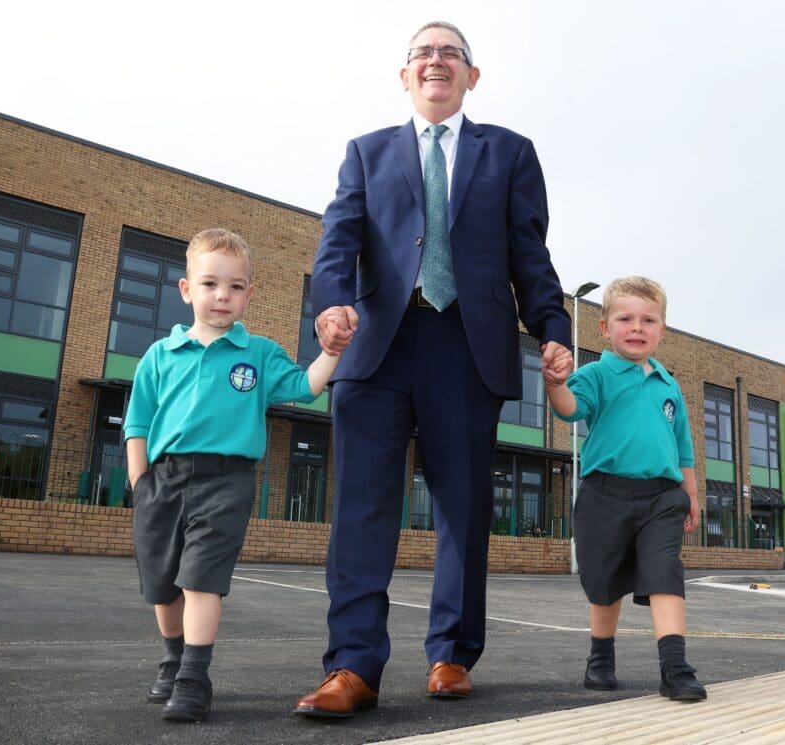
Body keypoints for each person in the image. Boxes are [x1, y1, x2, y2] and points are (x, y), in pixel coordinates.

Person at [295, 21, 571, 718]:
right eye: (423, 52)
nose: (437, 61)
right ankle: (353, 666)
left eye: (452, 53)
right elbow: (338, 242)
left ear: (472, 77)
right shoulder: (366, 153)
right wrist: (329, 306)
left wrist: (554, 327)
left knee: (464, 508)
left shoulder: (509, 153)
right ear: (405, 75)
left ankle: (451, 652)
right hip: (377, 348)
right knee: (363, 508)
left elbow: (528, 254)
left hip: (466, 347)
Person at [124, 228, 343, 722]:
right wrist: (140, 484)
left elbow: (306, 388)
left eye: (236, 286)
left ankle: (194, 678)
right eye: (210, 284)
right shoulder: (160, 356)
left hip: (227, 480)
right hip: (163, 480)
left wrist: (332, 352)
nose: (223, 295)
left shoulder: (258, 354)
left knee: (201, 578)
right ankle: (172, 658)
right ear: (187, 290)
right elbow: (137, 424)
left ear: (249, 294)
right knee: (162, 583)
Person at [542, 276, 707, 702]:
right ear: (605, 328)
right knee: (605, 581)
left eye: (648, 320)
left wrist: (690, 494)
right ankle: (601, 659)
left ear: (662, 329)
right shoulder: (597, 373)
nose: (637, 327)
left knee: (664, 571)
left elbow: (683, 446)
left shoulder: (670, 385)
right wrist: (555, 384)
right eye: (626, 318)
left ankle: (675, 666)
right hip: (604, 494)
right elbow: (570, 410)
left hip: (662, 497)